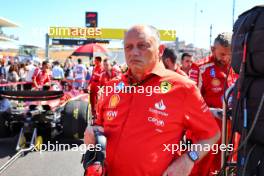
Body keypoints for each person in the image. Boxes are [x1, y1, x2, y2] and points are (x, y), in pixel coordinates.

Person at [84, 25, 220, 176]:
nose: (134, 52)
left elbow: (211, 134)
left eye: (142, 45)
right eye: (128, 47)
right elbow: (99, 127)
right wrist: (92, 131)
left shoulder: (183, 88)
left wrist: (188, 159)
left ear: (160, 50)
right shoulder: (111, 87)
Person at [188, 32, 238, 176]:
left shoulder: (238, 67)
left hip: (231, 131)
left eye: (230, 54)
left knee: (228, 169)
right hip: (206, 132)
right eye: (222, 54)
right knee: (200, 170)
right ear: (212, 49)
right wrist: (211, 111)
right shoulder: (200, 68)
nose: (226, 58)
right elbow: (190, 102)